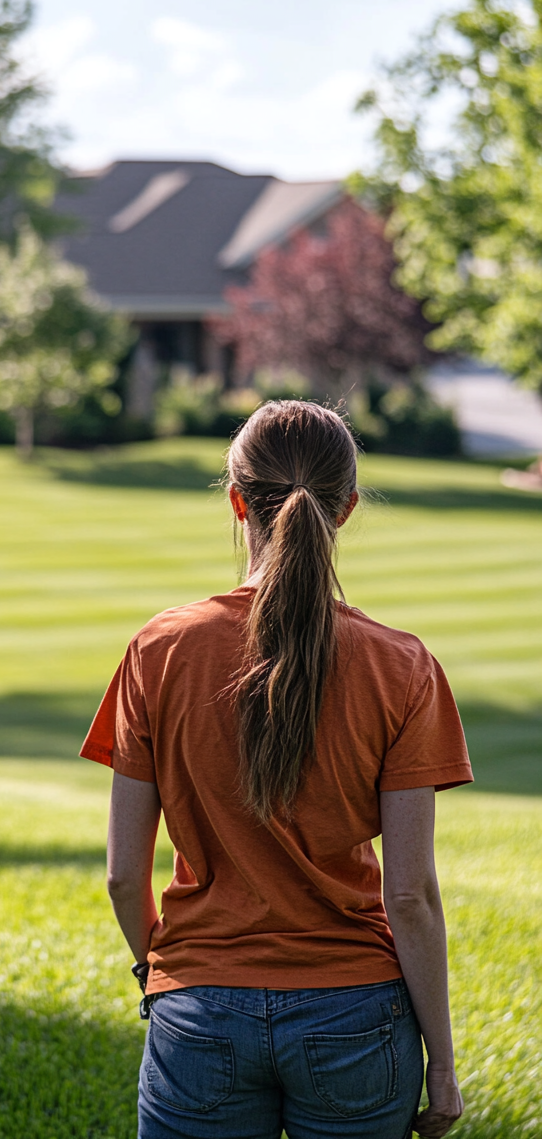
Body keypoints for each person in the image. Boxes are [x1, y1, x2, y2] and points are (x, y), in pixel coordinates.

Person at [80, 400, 471, 1139]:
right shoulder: (403, 666)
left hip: (200, 1008)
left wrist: (158, 977)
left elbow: (124, 877)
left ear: (236, 502)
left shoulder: (159, 650)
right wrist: (443, 1068)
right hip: (356, 1012)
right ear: (346, 510)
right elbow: (410, 894)